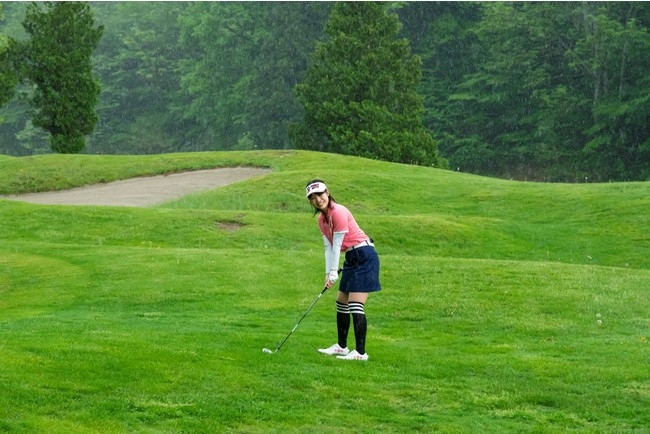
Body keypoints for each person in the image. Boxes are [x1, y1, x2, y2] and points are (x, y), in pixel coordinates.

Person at [305, 179, 381, 361]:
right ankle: (341, 347)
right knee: (341, 302)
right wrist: (328, 274)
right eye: (313, 197)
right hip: (351, 257)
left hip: (364, 255)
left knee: (355, 304)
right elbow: (328, 248)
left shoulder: (338, 212)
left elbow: (338, 244)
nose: (318, 199)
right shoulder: (321, 220)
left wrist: (334, 272)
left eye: (320, 194)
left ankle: (360, 353)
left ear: (327, 192)